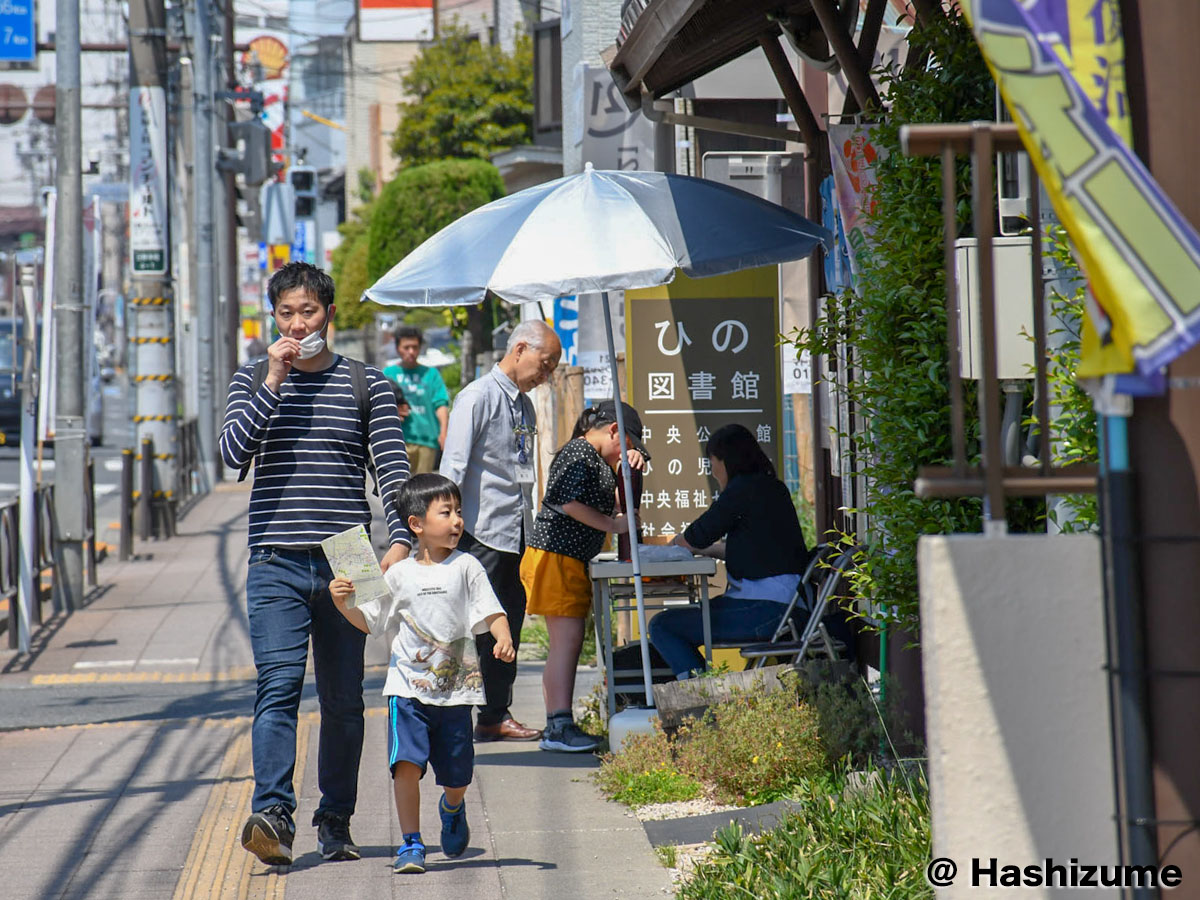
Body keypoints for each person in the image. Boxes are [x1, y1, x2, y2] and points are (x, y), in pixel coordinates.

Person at [219, 261, 411, 867]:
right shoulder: (252, 379)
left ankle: (336, 819)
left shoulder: (367, 383)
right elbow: (232, 454)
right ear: (271, 317)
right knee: (276, 688)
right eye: (286, 313)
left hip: (349, 556)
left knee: (344, 697)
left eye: (308, 312)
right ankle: (274, 814)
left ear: (329, 313)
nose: (298, 324)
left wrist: (402, 542)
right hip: (274, 553)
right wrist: (273, 378)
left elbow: (393, 472)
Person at [329, 473, 516, 874]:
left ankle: (452, 806)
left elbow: (491, 611)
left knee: (458, 775)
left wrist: (502, 637)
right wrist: (344, 603)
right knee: (406, 766)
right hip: (407, 691)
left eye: (458, 512)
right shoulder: (398, 575)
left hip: (457, 693)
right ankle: (411, 843)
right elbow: (371, 622)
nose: (456, 521)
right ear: (416, 524)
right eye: (446, 513)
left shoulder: (468, 566)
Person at [439, 319, 561, 742]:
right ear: (521, 348)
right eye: (545, 364)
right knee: (473, 626)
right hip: (478, 531)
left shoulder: (523, 405)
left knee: (508, 620)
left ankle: (493, 715)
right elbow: (452, 467)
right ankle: (459, 716)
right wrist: (443, 531)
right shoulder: (477, 397)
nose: (547, 374)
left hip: (513, 530)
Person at [520, 401, 650, 752]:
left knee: (569, 642)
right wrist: (612, 524)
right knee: (567, 642)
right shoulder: (579, 453)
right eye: (628, 444)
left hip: (566, 558)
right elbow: (568, 502)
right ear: (613, 431)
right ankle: (558, 726)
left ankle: (558, 724)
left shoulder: (596, 456)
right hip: (555, 557)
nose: (627, 452)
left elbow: (626, 474)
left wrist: (635, 460)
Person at [649, 423, 811, 679]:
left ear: (724, 461)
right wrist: (711, 550)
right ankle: (702, 693)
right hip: (789, 608)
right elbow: (754, 547)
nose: (713, 472)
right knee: (682, 620)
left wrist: (672, 546)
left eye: (712, 463)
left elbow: (696, 536)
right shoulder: (772, 488)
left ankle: (699, 699)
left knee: (663, 625)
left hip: (766, 611)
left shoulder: (740, 491)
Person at [384, 326, 450, 474]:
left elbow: (441, 404)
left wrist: (444, 432)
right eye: (406, 347)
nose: (411, 352)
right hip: (398, 440)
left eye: (415, 347)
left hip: (426, 440)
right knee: (399, 488)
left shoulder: (431, 374)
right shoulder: (389, 373)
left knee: (422, 490)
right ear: (397, 348)